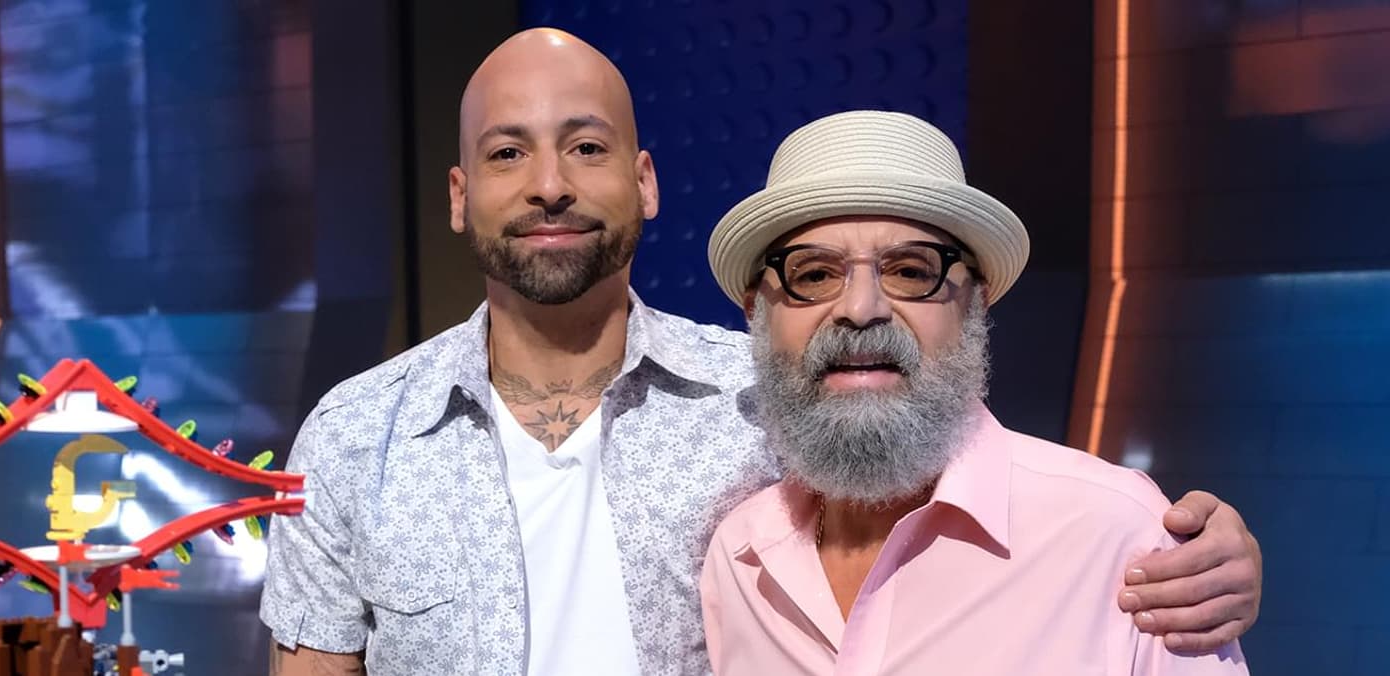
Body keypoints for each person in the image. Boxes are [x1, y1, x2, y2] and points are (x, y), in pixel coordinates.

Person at [262, 28, 1261, 676]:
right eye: (507, 151)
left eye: (588, 145)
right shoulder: (355, 436)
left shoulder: (780, 389)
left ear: (645, 181)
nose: (550, 183)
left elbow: (959, 464)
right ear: (458, 194)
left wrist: (1197, 547)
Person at [698, 110, 1247, 674]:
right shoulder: (739, 561)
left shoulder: (1118, 536)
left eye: (911, 271)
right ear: (756, 313)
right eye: (813, 275)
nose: (861, 310)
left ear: (975, 305)